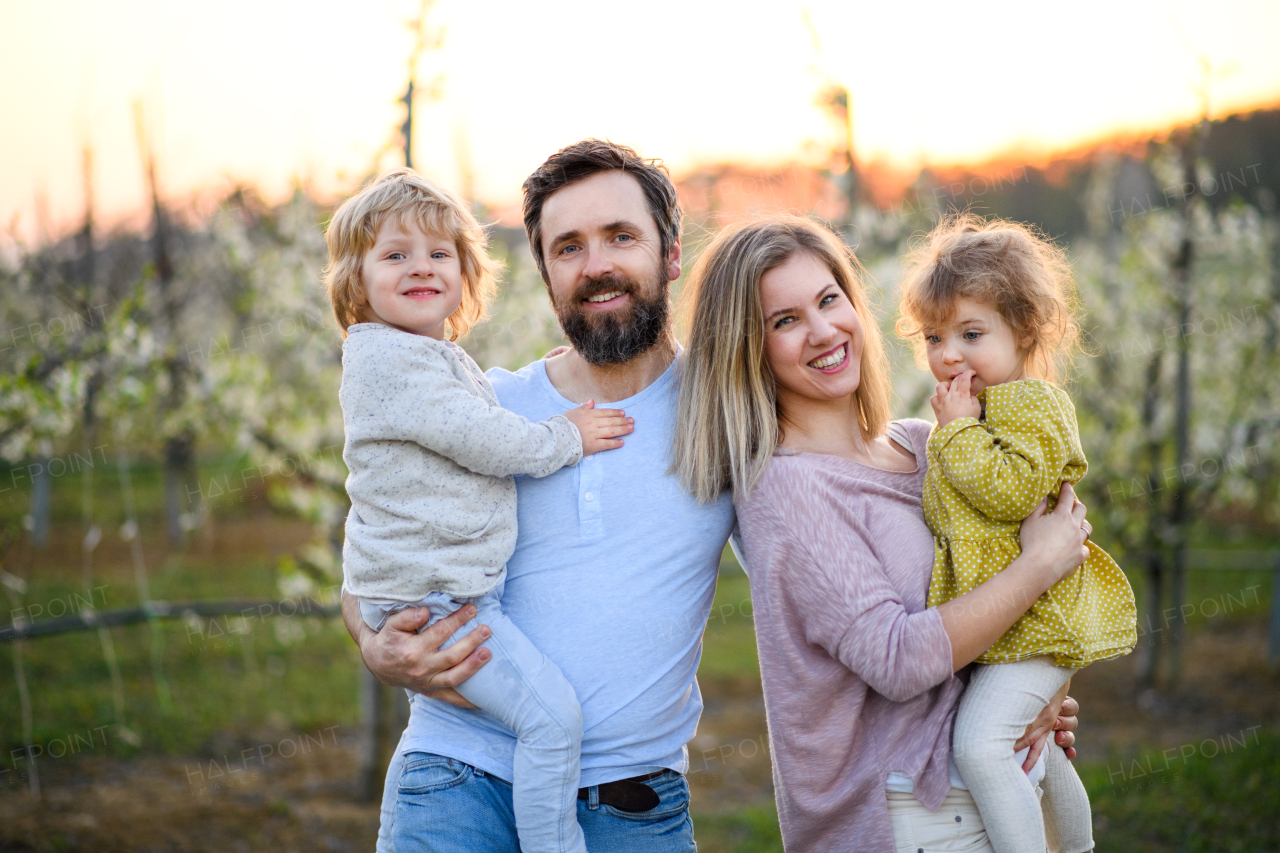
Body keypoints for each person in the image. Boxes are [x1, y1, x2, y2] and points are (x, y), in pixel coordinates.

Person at [341, 140, 739, 853]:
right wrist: (375, 644)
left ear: (670, 253)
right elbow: (370, 549)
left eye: (621, 236)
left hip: (630, 806)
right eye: (568, 247)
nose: (597, 266)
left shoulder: (726, 415)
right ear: (546, 273)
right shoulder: (485, 407)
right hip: (456, 780)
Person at [672, 215, 1090, 852]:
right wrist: (1039, 567)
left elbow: (1007, 588)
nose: (822, 331)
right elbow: (897, 660)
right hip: (913, 819)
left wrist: (1036, 690)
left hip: (1003, 795)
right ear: (747, 349)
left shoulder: (927, 447)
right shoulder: (788, 492)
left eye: (828, 299)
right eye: (784, 321)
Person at [325, 168, 635, 853]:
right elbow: (478, 436)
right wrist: (566, 436)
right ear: (357, 277)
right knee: (553, 720)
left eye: (440, 254)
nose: (421, 268)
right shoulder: (388, 362)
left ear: (466, 273)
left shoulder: (435, 358)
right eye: (395, 253)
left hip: (443, 593)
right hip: (440, 604)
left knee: (544, 717)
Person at [896, 215, 1136, 853]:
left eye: (971, 334)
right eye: (935, 336)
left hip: (1035, 623)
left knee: (980, 745)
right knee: (1043, 746)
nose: (948, 354)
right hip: (1006, 625)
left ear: (1024, 329)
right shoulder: (986, 409)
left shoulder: (1033, 404)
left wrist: (956, 432)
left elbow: (1009, 490)